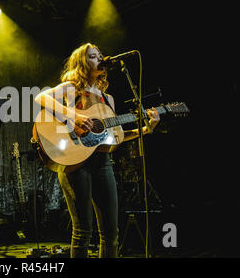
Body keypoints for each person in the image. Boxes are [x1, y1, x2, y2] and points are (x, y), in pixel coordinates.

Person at [34, 43, 160, 258]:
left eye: (101, 55)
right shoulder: (71, 87)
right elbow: (41, 98)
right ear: (83, 63)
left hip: (102, 163)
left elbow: (115, 137)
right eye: (94, 56)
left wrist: (146, 129)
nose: (101, 59)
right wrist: (75, 116)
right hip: (74, 162)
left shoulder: (107, 98)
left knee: (111, 233)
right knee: (83, 231)